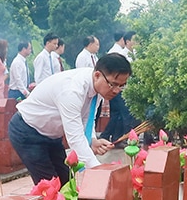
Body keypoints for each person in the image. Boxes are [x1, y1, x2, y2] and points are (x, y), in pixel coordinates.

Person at [7, 53, 131, 186]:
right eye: (114, 84)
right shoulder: (72, 91)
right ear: (97, 75)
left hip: (51, 136)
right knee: (51, 189)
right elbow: (75, 138)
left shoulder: (100, 86)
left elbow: (86, 118)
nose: (117, 90)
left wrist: (92, 140)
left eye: (122, 86)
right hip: (27, 131)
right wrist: (98, 171)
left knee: (67, 184)